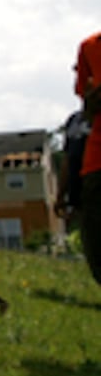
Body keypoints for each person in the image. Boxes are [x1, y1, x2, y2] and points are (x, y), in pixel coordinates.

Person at [74, 29, 101, 285]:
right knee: (95, 231)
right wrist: (93, 99)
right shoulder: (90, 46)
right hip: (97, 157)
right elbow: (87, 107)